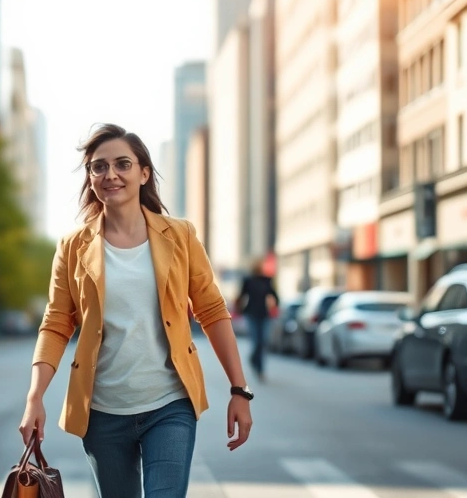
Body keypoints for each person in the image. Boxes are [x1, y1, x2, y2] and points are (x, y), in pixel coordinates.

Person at [18, 124, 254, 498]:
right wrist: (35, 398)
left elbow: (211, 310)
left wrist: (239, 390)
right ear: (90, 178)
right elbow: (56, 324)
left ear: (143, 173)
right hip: (102, 412)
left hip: (170, 406)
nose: (110, 174)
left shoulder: (180, 236)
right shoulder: (72, 246)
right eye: (99, 167)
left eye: (122, 164)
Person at [236, 257, 280, 383]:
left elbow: (274, 295)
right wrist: (238, 309)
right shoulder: (248, 280)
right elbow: (241, 295)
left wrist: (276, 306)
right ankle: (257, 366)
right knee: (256, 341)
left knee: (264, 341)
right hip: (251, 314)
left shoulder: (267, 280)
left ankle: (259, 366)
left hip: (264, 314)